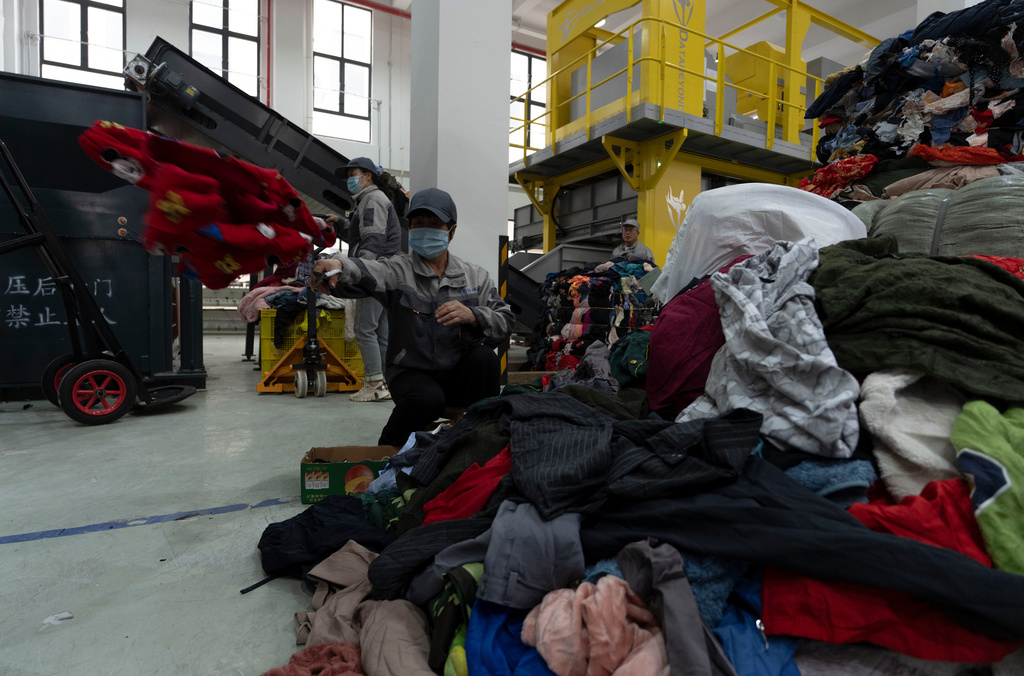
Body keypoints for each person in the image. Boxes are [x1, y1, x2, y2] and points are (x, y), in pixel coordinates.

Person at [313, 188, 514, 447]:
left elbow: (505, 321)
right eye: (419, 223)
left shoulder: (475, 277)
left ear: (451, 232)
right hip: (411, 372)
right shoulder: (397, 270)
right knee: (427, 401)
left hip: (457, 372)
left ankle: (482, 443)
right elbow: (366, 270)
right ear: (410, 228)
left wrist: (473, 315)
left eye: (435, 224)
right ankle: (385, 454)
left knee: (484, 358)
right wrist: (336, 264)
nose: (425, 230)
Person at [330, 157, 402, 402]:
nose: (350, 179)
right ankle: (384, 382)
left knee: (364, 328)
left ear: (368, 176)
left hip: (375, 272)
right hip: (387, 274)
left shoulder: (372, 200)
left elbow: (372, 240)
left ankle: (374, 383)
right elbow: (361, 235)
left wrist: (359, 272)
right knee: (381, 332)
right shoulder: (370, 201)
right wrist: (340, 224)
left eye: (354, 174)